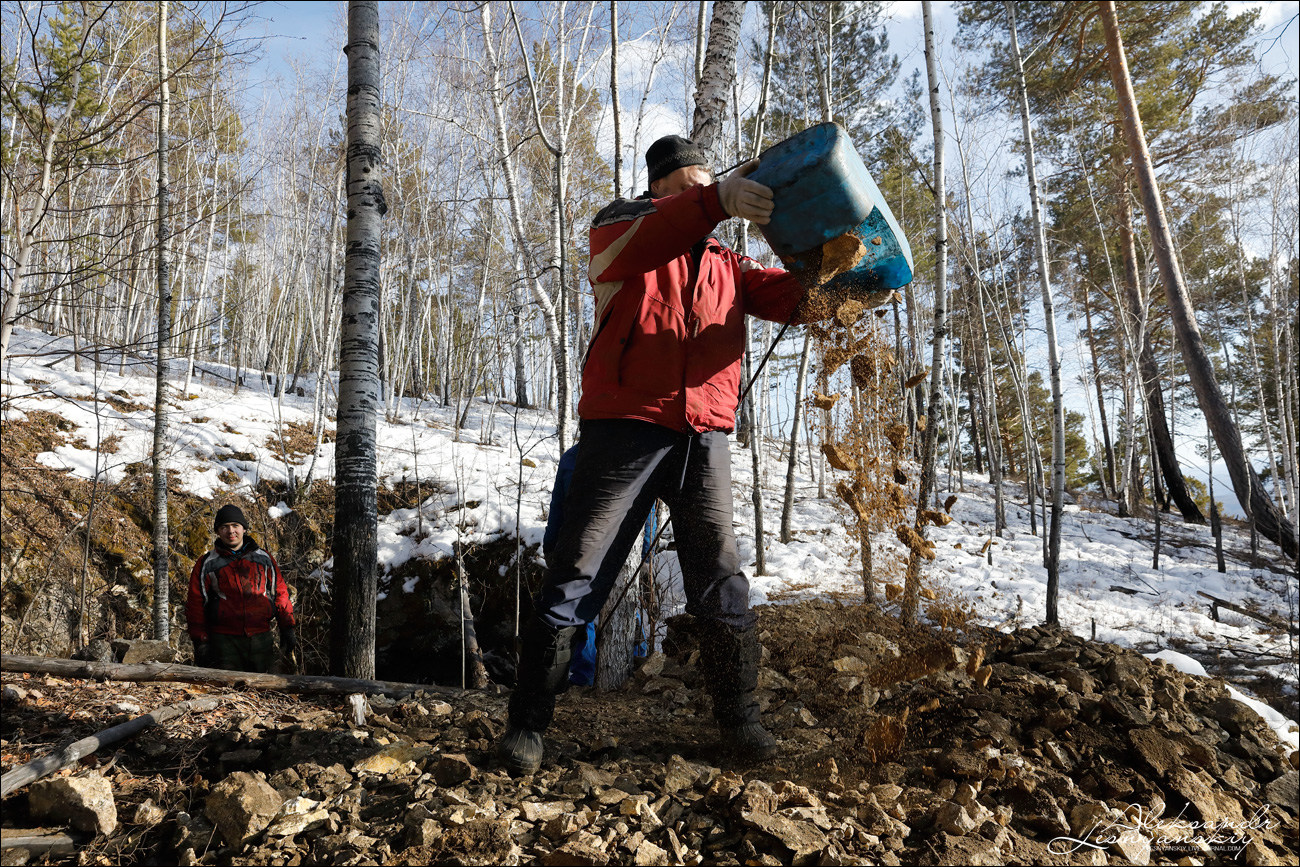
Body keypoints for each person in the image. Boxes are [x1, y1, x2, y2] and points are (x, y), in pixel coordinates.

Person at [498, 135, 804, 775]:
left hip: (705, 436)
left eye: (707, 180)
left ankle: (739, 722)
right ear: (660, 186)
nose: (702, 190)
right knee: (576, 571)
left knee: (721, 581)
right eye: (689, 183)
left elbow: (789, 298)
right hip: (625, 429)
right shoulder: (620, 228)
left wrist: (836, 278)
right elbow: (645, 237)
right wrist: (715, 198)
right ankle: (527, 725)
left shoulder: (725, 262)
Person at [186, 504, 296, 672]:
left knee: (263, 692)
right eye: (224, 527)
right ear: (217, 531)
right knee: (226, 693)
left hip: (261, 640)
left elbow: (280, 593)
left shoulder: (264, 559)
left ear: (244, 529)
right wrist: (200, 641)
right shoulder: (206, 563)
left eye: (235, 526)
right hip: (223, 642)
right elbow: (195, 603)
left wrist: (287, 627)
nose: (231, 531)